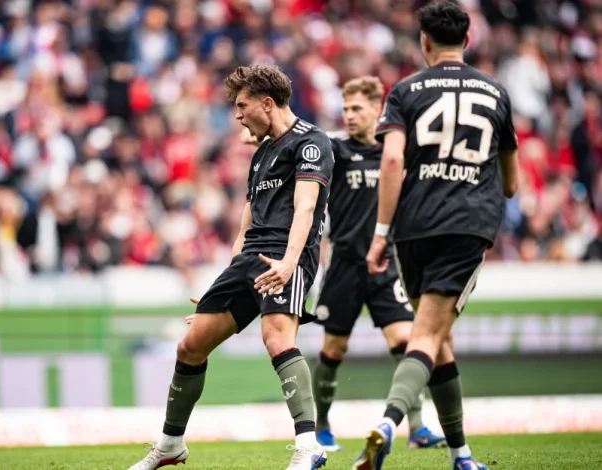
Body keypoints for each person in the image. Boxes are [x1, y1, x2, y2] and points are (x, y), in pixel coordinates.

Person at [128, 64, 334, 470]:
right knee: (191, 345)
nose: (237, 115)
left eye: (242, 106)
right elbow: (246, 221)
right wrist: (222, 284)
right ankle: (171, 444)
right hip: (249, 259)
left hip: (284, 253)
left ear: (267, 103)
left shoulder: (311, 142)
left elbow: (306, 206)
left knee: (276, 337)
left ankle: (309, 444)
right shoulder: (261, 154)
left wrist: (290, 263)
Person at [352, 2, 519, 470]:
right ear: (467, 41)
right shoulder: (496, 93)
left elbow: (390, 161)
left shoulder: (404, 91)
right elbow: (511, 184)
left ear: (423, 41)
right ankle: (387, 424)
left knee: (438, 336)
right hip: (466, 224)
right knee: (429, 334)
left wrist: (381, 233)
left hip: (414, 226)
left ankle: (462, 456)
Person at [309, 76, 446, 453]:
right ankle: (321, 425)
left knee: (406, 342)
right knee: (333, 350)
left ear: (376, 109)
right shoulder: (333, 149)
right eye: (345, 108)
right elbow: (294, 146)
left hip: (387, 267)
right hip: (345, 265)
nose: (349, 115)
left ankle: (417, 427)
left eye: (357, 108)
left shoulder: (394, 151)